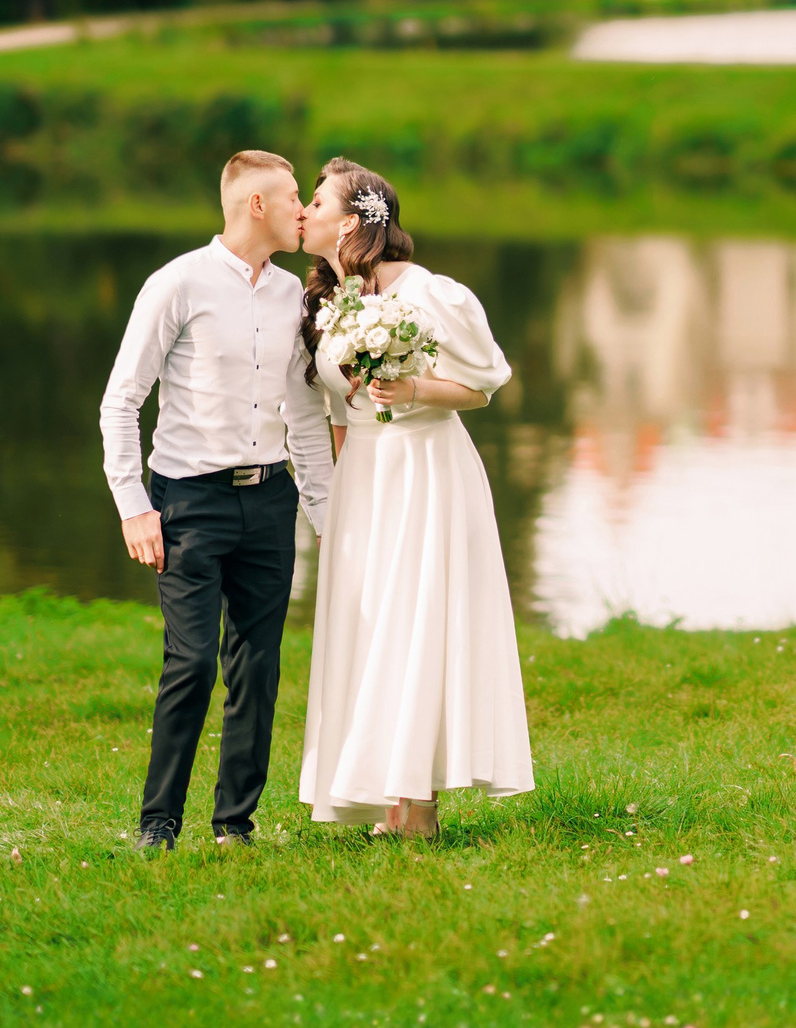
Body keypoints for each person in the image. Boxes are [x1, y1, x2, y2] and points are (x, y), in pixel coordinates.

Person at [100, 148, 331, 851]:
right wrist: (133, 505)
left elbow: (306, 416)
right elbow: (121, 401)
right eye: (294, 196)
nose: (304, 209)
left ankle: (235, 822)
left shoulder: (295, 295)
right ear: (254, 204)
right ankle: (158, 821)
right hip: (187, 502)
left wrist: (328, 518)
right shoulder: (177, 284)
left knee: (258, 666)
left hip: (270, 500)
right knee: (193, 660)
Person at [296, 158, 533, 837]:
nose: (305, 211)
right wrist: (338, 497)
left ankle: (418, 803)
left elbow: (485, 382)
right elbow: (337, 412)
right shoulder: (324, 299)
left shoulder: (427, 293)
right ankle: (378, 788)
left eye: (316, 201)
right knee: (371, 623)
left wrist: (416, 390)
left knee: (417, 619)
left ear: (350, 221)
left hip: (424, 468)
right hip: (364, 479)